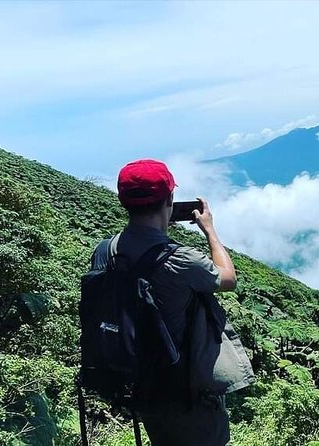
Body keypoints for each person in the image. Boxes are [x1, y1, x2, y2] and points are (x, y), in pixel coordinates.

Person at [94, 159, 254, 446]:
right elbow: (228, 278)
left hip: (140, 385)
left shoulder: (105, 251)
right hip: (185, 391)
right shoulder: (180, 259)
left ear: (122, 201)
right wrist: (209, 230)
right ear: (169, 199)